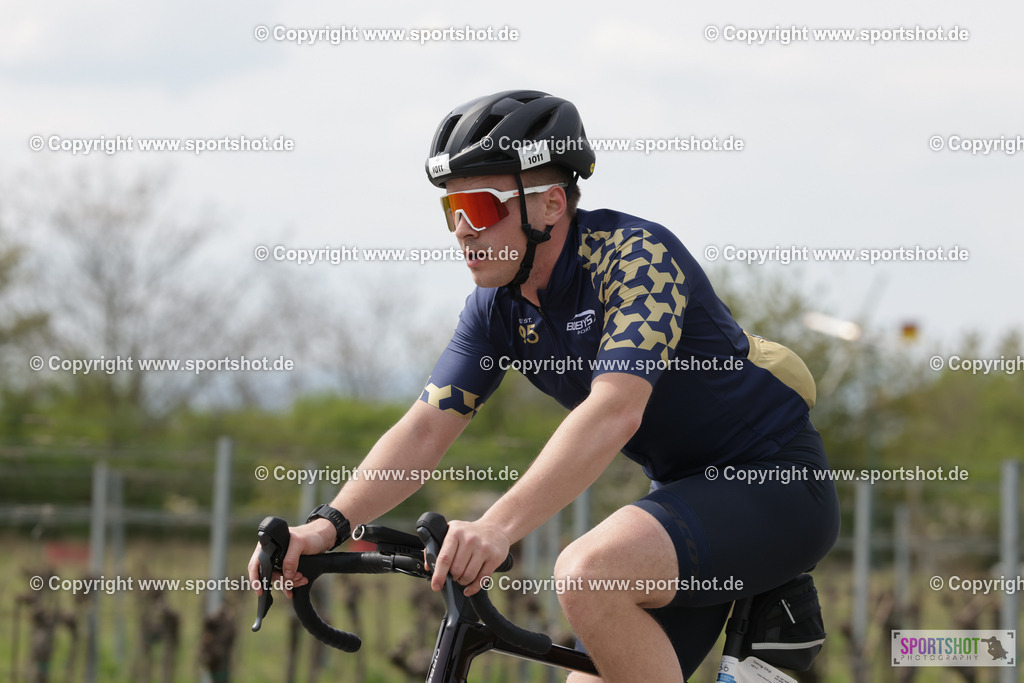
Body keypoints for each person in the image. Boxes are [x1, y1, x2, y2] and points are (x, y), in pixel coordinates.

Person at [249, 89, 841, 682]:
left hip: (776, 484)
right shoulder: (494, 309)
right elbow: (427, 427)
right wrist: (330, 523)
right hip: (685, 501)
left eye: (479, 208)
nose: (461, 230)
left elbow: (615, 409)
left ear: (551, 204)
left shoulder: (637, 260)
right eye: (449, 209)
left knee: (587, 575)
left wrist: (498, 527)